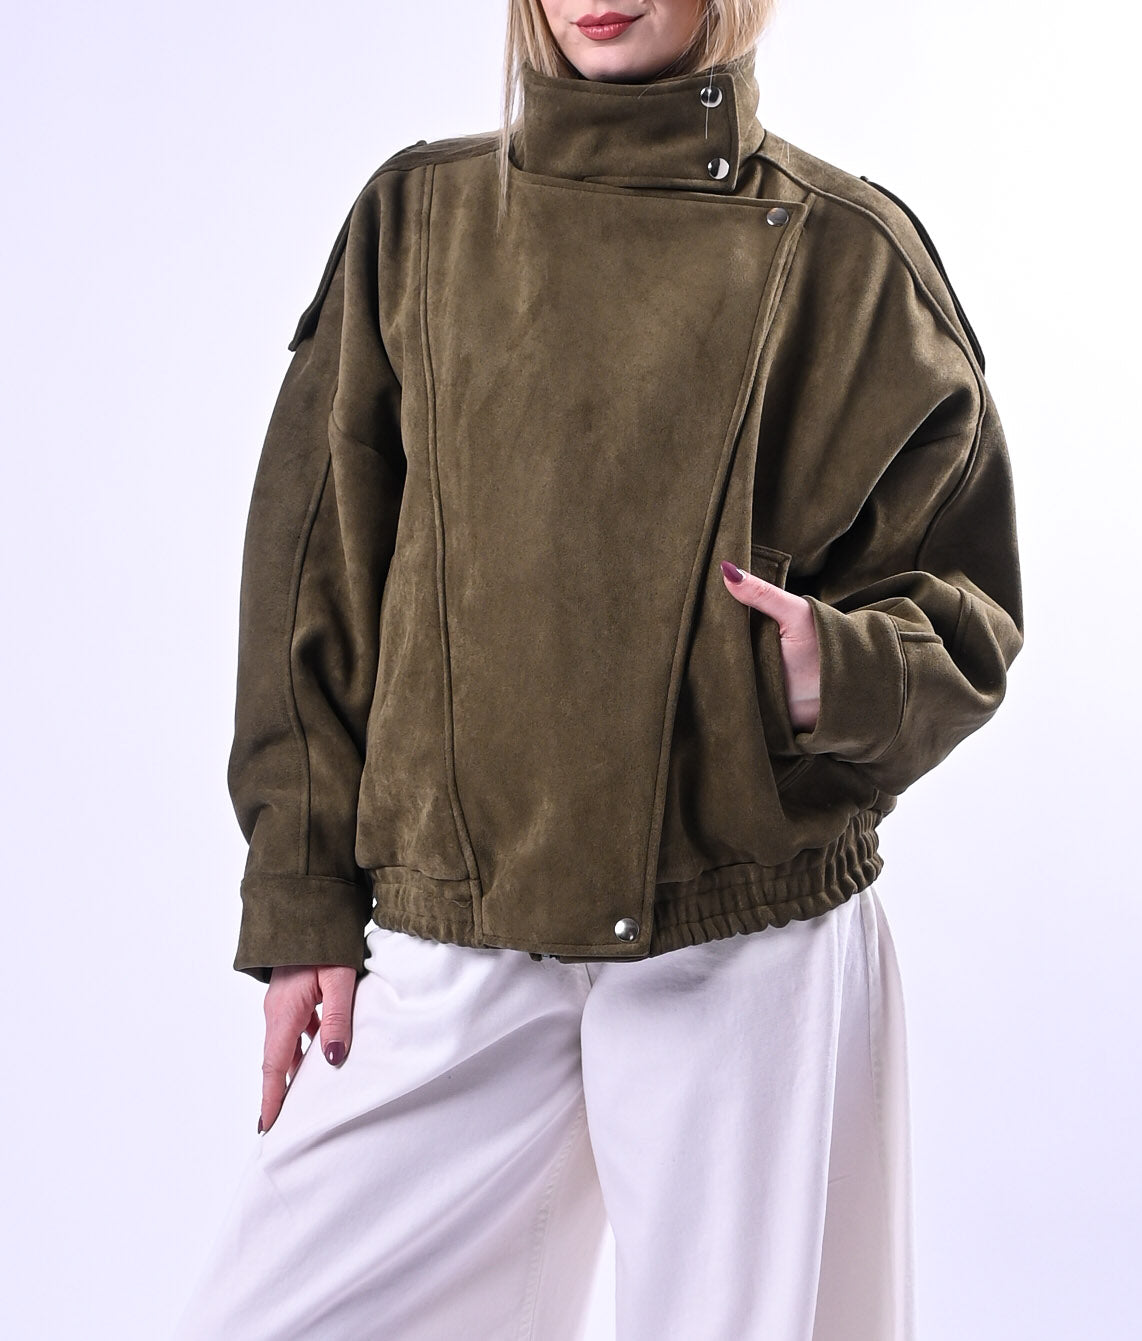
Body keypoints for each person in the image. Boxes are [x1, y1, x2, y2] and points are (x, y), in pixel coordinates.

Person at [170, 1, 1023, 1337]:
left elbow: (969, 611)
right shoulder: (419, 221)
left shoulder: (847, 253)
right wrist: (300, 899)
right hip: (450, 929)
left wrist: (828, 673)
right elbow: (311, 580)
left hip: (740, 936)